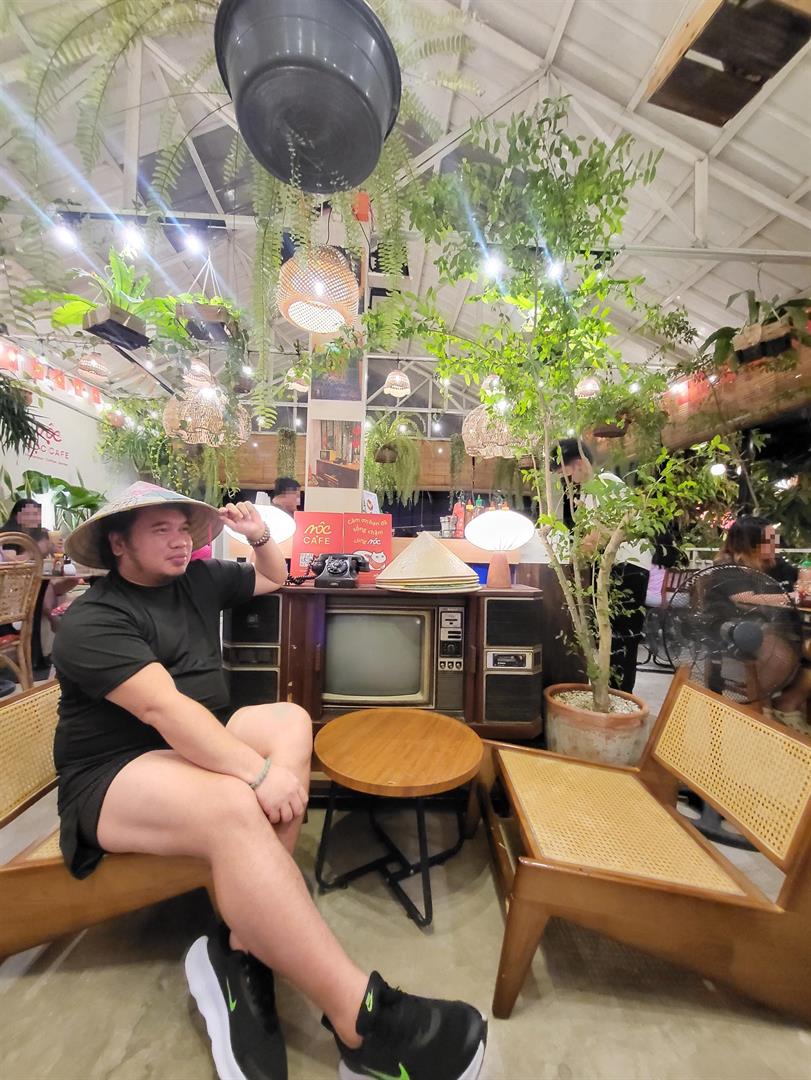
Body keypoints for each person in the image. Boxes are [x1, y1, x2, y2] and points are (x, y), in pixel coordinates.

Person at [51, 481, 487, 1080]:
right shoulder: (93, 618)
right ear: (118, 543)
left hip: (194, 741)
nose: (180, 541)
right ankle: (360, 1021)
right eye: (161, 530)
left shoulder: (198, 579)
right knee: (234, 802)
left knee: (289, 719)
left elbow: (272, 577)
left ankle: (242, 942)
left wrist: (259, 535)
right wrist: (257, 775)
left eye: (183, 529)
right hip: (114, 769)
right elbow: (163, 711)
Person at [551, 440, 651, 693]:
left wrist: (569, 556)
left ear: (579, 463)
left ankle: (620, 695)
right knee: (610, 636)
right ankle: (613, 693)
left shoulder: (604, 484)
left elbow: (596, 538)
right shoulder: (590, 491)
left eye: (566, 474)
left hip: (628, 567)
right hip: (615, 566)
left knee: (622, 639)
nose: (567, 482)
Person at [714, 515, 810, 730]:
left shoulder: (774, 563)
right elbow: (744, 599)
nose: (776, 543)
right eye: (770, 539)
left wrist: (804, 580)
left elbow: (801, 574)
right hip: (738, 629)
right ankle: (762, 709)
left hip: (784, 626)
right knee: (780, 655)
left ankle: (788, 703)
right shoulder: (728, 567)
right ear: (750, 543)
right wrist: (790, 597)